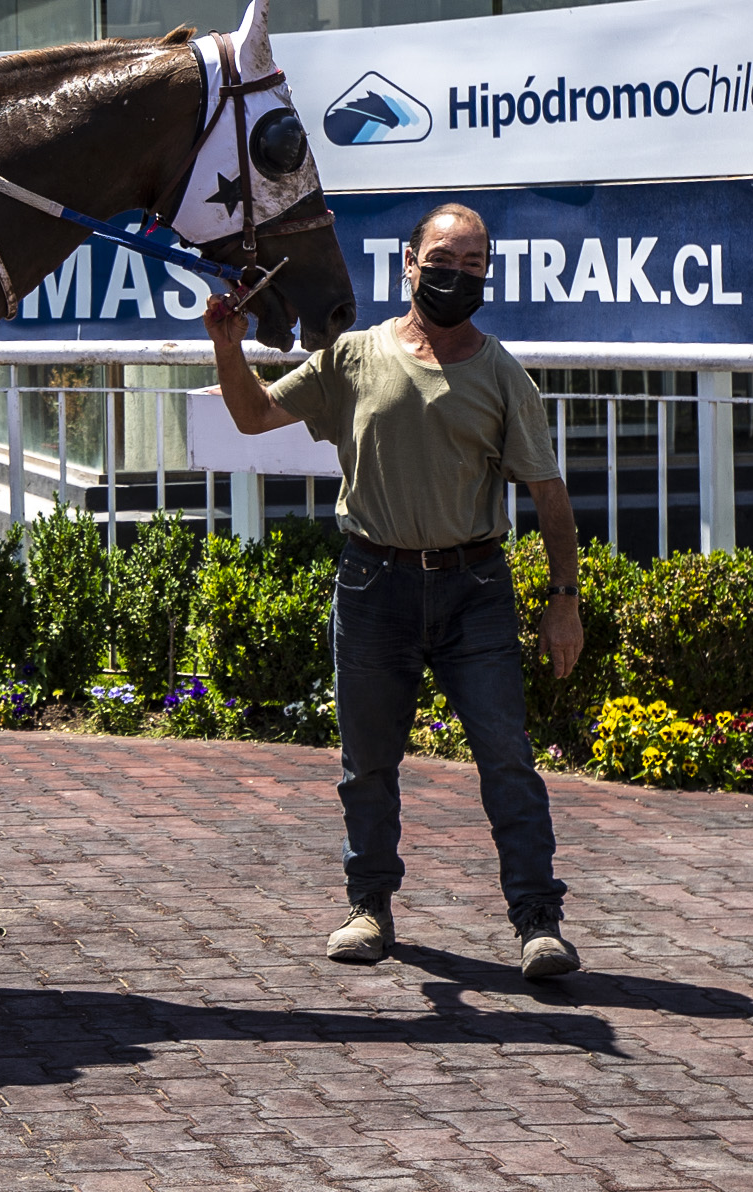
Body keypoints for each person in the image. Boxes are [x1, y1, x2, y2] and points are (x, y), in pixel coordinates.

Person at [204, 202, 586, 978]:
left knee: (506, 761)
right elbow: (252, 415)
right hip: (373, 585)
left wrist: (564, 603)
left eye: (473, 265)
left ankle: (538, 921)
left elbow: (550, 497)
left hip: (475, 590)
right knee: (367, 765)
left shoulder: (503, 376)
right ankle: (367, 906)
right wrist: (226, 346)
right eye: (441, 261)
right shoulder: (352, 357)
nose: (456, 276)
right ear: (409, 265)